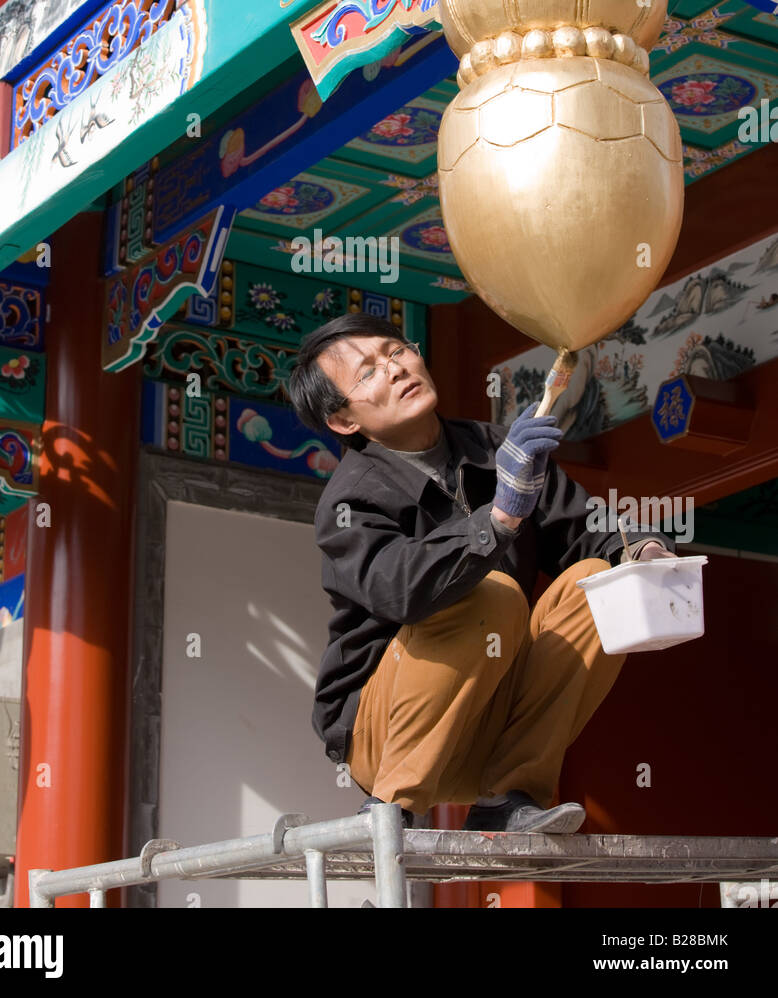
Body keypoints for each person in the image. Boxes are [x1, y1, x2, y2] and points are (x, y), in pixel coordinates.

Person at [288, 312, 676, 833]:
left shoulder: (499, 450)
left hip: (486, 724)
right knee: (490, 596)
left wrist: (643, 552)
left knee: (594, 583)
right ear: (344, 421)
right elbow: (401, 591)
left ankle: (508, 795)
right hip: (383, 736)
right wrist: (498, 519)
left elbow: (587, 532)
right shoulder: (350, 501)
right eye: (367, 373)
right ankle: (390, 811)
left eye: (397, 350)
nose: (397, 369)